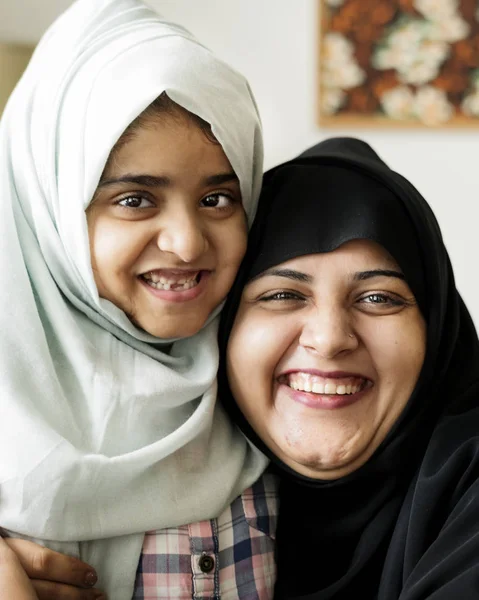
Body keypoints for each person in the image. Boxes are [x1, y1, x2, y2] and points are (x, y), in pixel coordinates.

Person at [0, 0, 270, 598]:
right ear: (52, 213)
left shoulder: (272, 388)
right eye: (134, 200)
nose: (186, 242)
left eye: (218, 199)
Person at [218, 136, 479, 599]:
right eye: (282, 295)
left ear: (435, 330)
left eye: (379, 298)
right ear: (223, 328)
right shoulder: (158, 494)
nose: (330, 338)